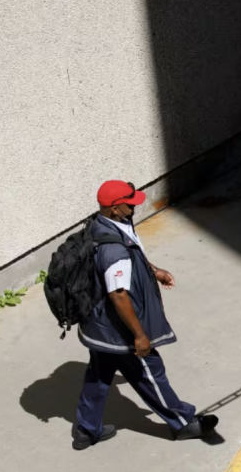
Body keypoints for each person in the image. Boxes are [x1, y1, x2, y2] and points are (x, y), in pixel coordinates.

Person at [72, 180, 218, 450]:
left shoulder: (103, 225)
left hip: (99, 327)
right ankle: (183, 423)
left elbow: (133, 257)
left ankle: (86, 429)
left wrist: (154, 270)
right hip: (118, 331)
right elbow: (118, 294)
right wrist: (139, 335)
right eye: (131, 203)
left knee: (100, 374)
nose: (136, 205)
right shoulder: (112, 250)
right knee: (150, 371)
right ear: (116, 209)